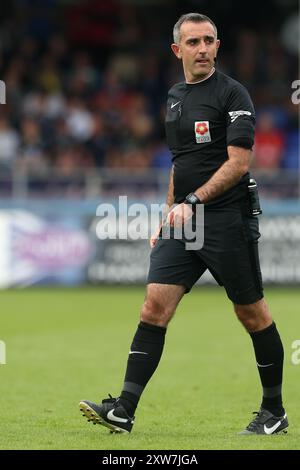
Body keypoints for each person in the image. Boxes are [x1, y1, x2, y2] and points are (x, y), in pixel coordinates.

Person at [79, 13, 288, 435]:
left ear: (217, 46)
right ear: (178, 50)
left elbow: (239, 163)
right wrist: (169, 209)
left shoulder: (234, 94)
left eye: (209, 40)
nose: (203, 49)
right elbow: (182, 163)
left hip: (228, 218)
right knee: (154, 306)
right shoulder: (174, 96)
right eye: (193, 42)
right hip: (184, 222)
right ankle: (124, 409)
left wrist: (191, 201)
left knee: (252, 314)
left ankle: (274, 411)